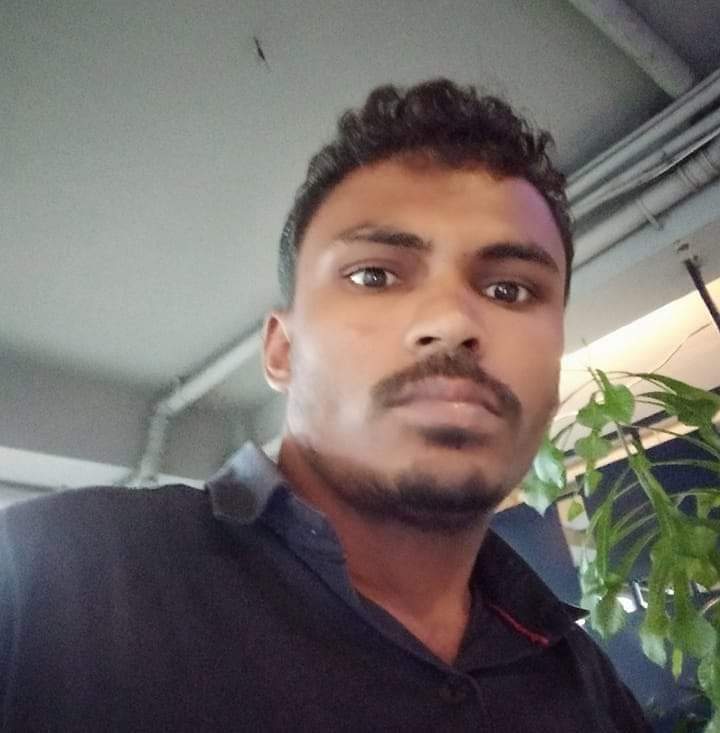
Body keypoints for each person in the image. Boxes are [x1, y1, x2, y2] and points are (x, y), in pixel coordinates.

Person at [0, 79, 650, 732]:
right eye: (375, 275)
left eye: (510, 290)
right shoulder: (44, 580)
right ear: (281, 350)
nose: (453, 322)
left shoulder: (586, 685)